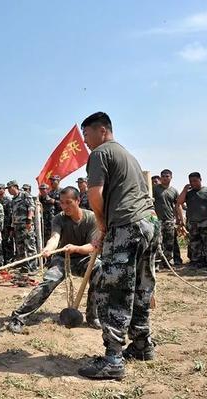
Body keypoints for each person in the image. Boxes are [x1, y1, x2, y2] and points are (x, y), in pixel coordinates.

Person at [78, 112, 159, 380]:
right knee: (141, 287)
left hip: (126, 226)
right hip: (148, 223)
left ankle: (113, 358)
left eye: (86, 134)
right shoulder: (128, 155)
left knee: (113, 289)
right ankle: (141, 344)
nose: (85, 141)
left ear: (102, 130)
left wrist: (102, 226)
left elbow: (94, 195)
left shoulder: (100, 153)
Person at [7, 186, 102, 334]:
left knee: (100, 270)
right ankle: (18, 317)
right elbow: (55, 237)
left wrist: (75, 248)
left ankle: (92, 316)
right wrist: (48, 249)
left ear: (78, 201)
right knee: (49, 281)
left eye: (68, 202)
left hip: (84, 259)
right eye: (62, 203)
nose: (64, 206)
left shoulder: (91, 218)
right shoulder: (59, 218)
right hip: (62, 259)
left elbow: (92, 247)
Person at [177, 172, 207, 271]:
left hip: (205, 222)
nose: (193, 183)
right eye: (191, 181)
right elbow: (179, 202)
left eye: (195, 181)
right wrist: (184, 190)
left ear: (200, 180)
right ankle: (196, 262)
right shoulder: (188, 193)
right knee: (195, 244)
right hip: (193, 224)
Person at [7, 180, 38, 276]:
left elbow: (31, 207)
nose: (8, 190)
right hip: (17, 226)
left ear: (15, 187)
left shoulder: (24, 195)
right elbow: (13, 214)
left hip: (26, 225)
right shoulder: (13, 199)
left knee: (30, 246)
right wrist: (12, 227)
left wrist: (29, 219)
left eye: (9, 188)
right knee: (20, 248)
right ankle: (25, 267)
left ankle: (33, 268)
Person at [152, 169, 181, 266]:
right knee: (157, 242)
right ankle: (156, 263)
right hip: (156, 220)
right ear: (160, 178)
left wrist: (179, 218)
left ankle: (168, 262)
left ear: (171, 177)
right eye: (163, 176)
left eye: (167, 176)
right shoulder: (154, 189)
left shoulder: (174, 191)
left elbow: (178, 205)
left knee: (169, 242)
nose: (165, 178)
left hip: (169, 220)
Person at [0, 183, 15, 263]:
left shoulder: (8, 200)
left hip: (7, 225)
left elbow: (11, 214)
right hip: (0, 226)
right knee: (3, 243)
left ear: (4, 190)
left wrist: (11, 227)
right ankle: (4, 260)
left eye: (0, 188)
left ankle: (9, 260)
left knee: (9, 242)